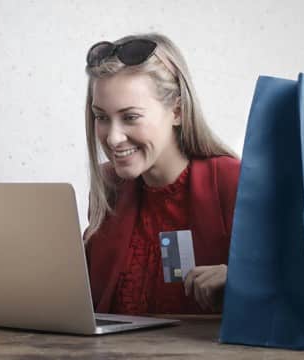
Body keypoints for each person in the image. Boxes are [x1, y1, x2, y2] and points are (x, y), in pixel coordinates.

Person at [83, 33, 240, 315]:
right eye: (102, 117)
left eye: (130, 117)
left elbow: (295, 281)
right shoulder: (110, 188)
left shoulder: (231, 182)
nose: (114, 138)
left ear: (177, 111)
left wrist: (242, 279)